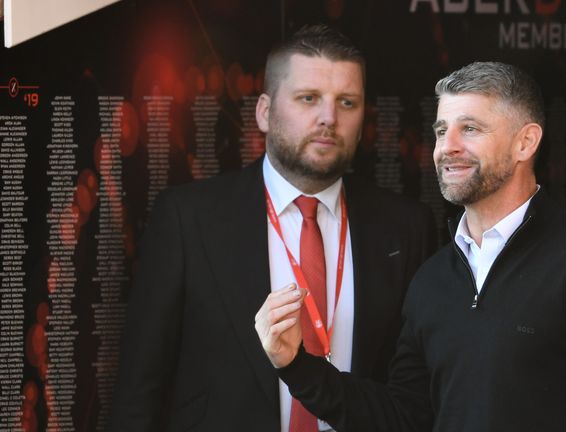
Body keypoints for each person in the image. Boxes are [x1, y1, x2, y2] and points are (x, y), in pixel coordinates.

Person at [256, 61, 566, 431]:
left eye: (470, 129)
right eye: (442, 130)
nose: (447, 147)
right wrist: (297, 365)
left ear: (525, 143)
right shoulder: (433, 280)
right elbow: (404, 418)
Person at [109, 25, 436, 431]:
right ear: (264, 112)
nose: (329, 118)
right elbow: (139, 391)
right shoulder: (187, 219)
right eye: (308, 98)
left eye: (347, 102)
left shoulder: (407, 228)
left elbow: (414, 396)